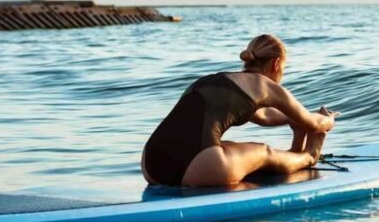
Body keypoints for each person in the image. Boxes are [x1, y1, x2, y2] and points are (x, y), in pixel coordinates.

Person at [142, 34, 339, 187]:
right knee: (264, 152)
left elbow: (266, 117)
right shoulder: (265, 85)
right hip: (200, 165)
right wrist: (328, 119)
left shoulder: (223, 82)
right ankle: (310, 155)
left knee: (232, 146)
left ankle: (295, 153)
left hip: (151, 163)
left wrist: (292, 121)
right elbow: (314, 124)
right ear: (276, 64)